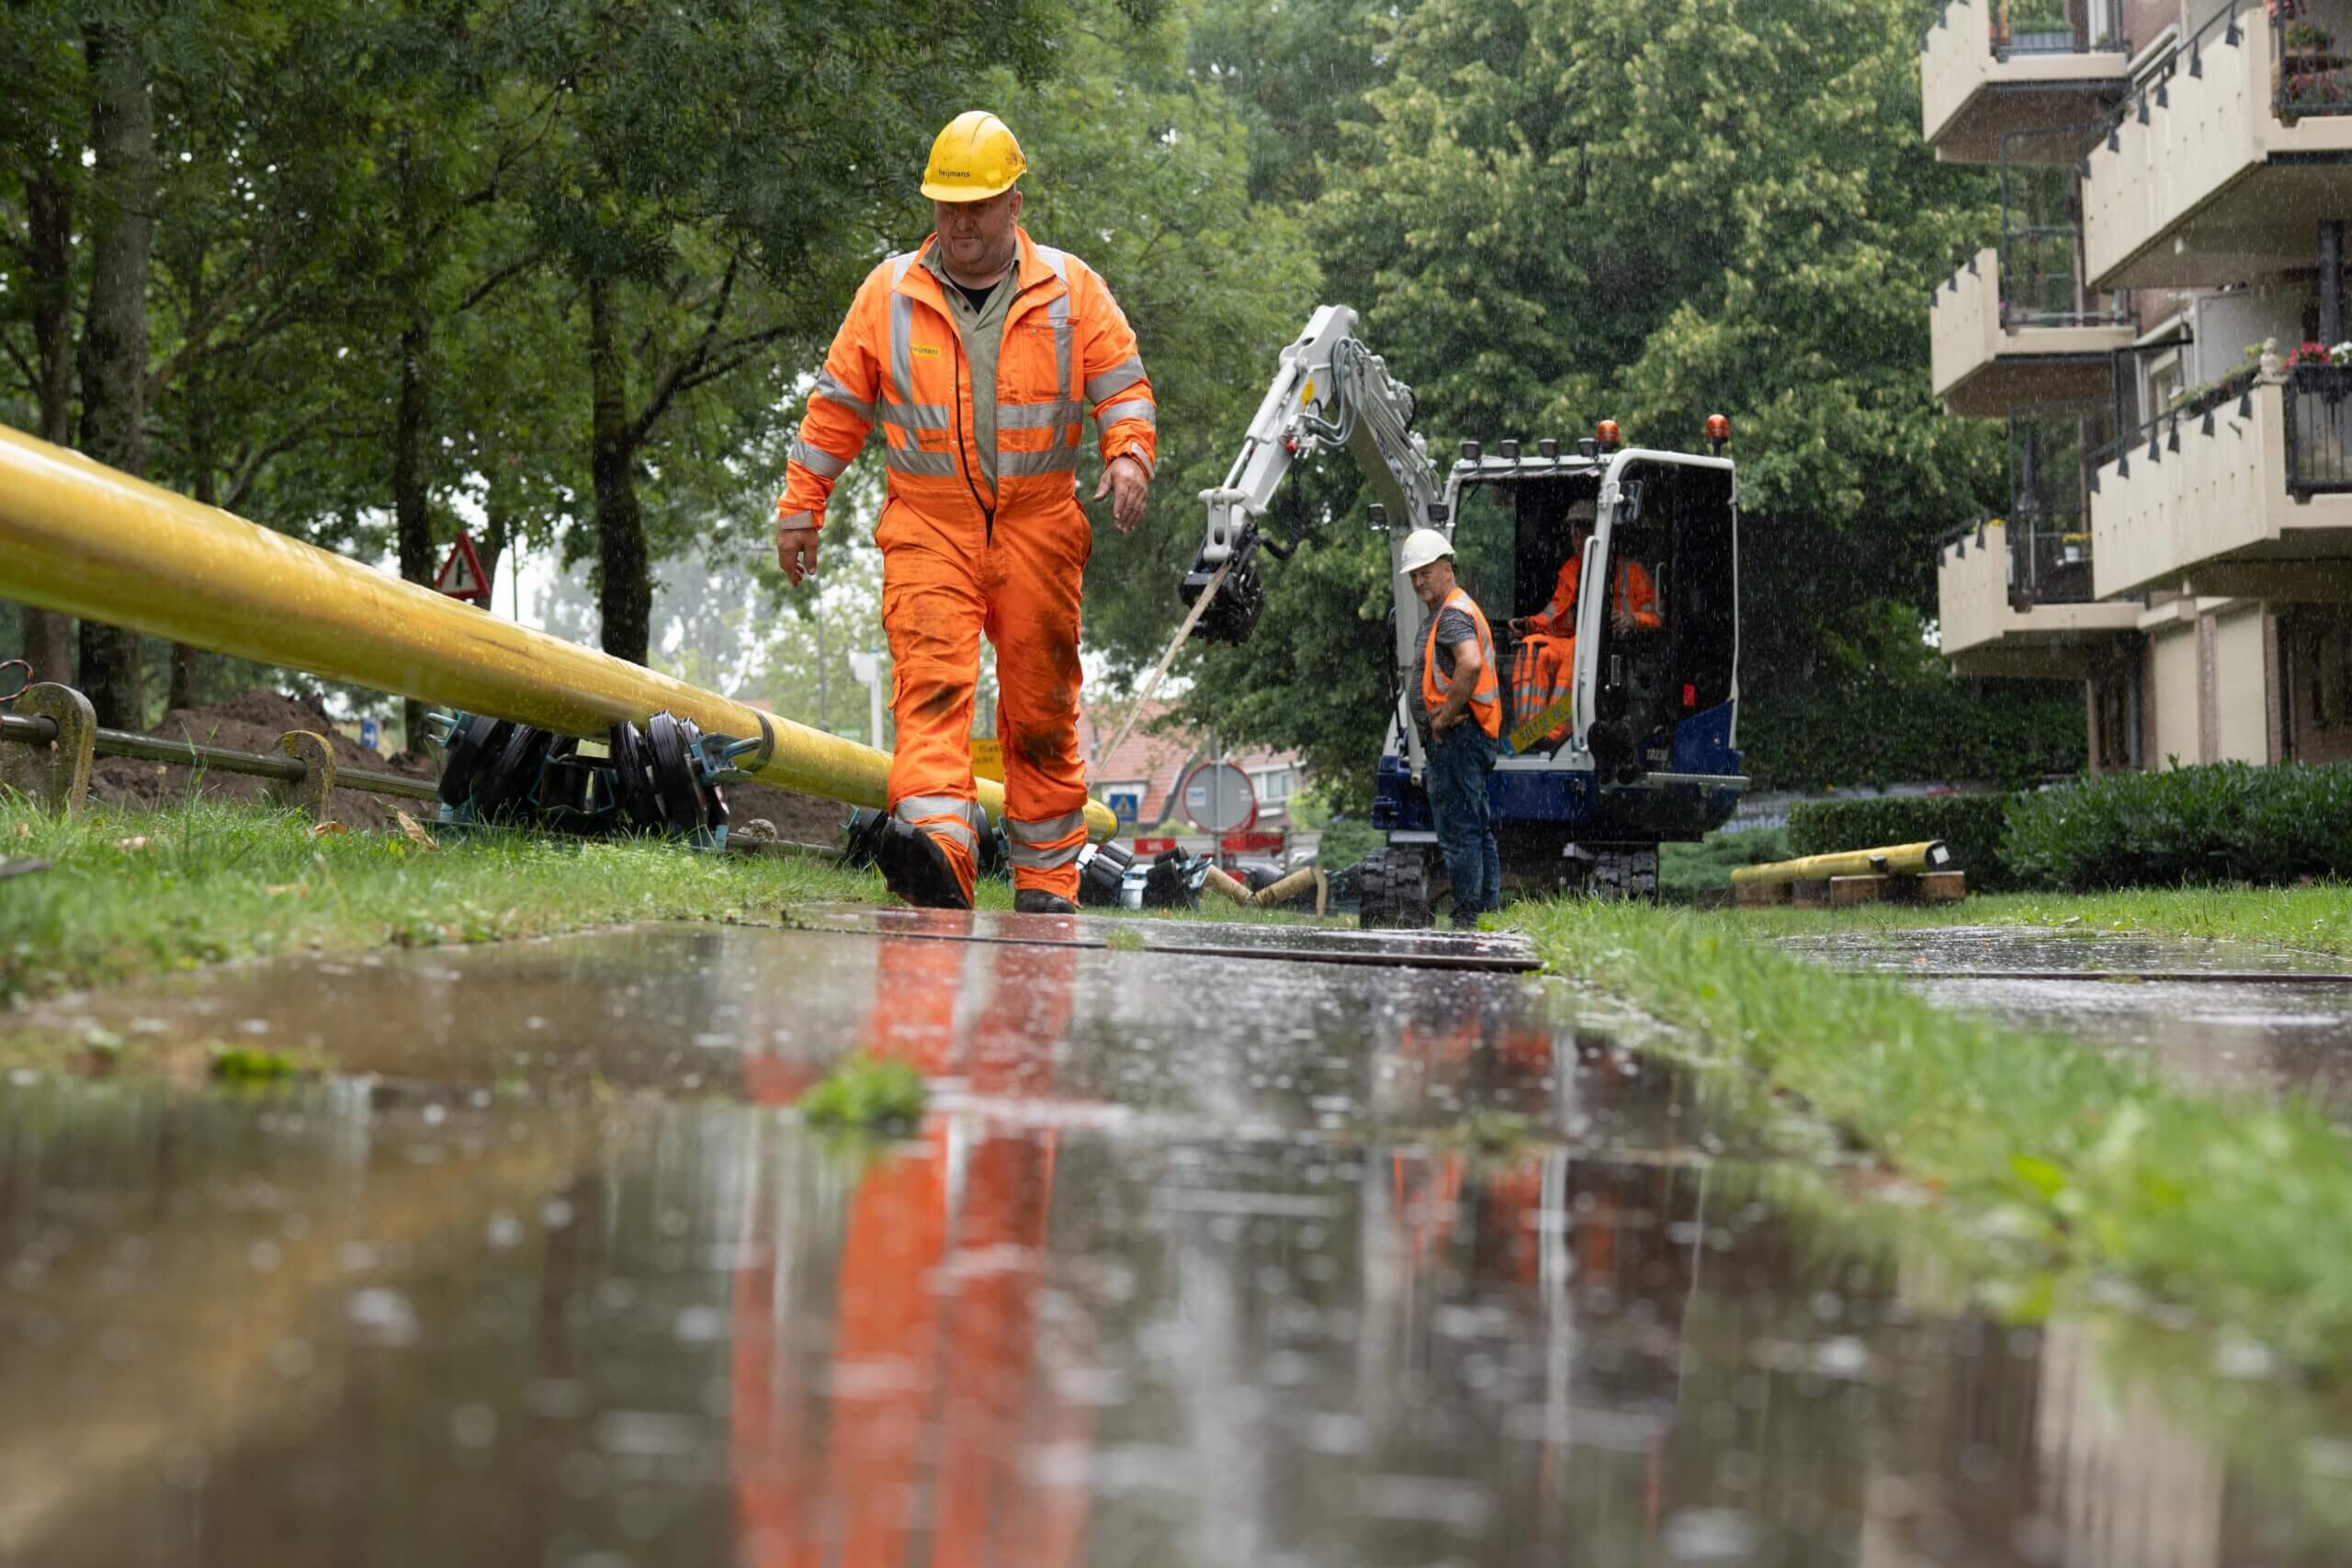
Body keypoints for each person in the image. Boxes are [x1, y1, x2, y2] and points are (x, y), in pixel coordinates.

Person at [773, 111, 1157, 914]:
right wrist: (801, 506)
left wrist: (1128, 453)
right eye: (948, 208)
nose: (962, 225)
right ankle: (939, 859)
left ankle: (1047, 885)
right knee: (931, 692)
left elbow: (1122, 383)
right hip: (928, 528)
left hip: (1039, 528)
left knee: (1042, 711)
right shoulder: (889, 294)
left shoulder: (1071, 289)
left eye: (978, 207)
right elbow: (836, 408)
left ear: (1015, 204)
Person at [1399, 528, 1502, 926]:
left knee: (1460, 834)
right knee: (1477, 829)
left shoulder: (1453, 615)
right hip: (1469, 735)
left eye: (1425, 572)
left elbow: (1470, 663)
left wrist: (1443, 717)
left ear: (1447, 568)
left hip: (1457, 737)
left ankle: (1466, 923)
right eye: (1413, 575)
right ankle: (1486, 917)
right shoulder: (1455, 609)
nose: (1418, 581)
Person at [1505, 500, 1660, 747]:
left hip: (1608, 647)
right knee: (1532, 647)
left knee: (1577, 653)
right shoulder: (1569, 571)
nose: (1576, 534)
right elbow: (1553, 614)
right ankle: (1528, 734)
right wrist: (1528, 625)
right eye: (1573, 527)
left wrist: (1633, 619)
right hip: (1571, 641)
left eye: (1584, 526)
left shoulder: (1631, 573)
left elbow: (1657, 616)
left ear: (1601, 530)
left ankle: (1553, 736)